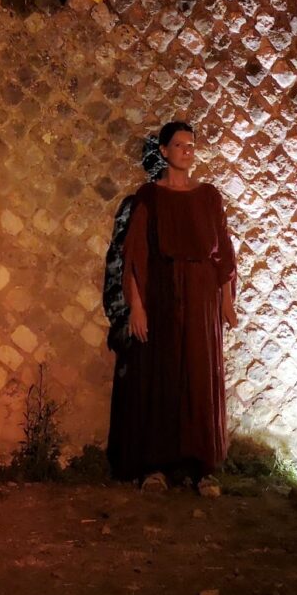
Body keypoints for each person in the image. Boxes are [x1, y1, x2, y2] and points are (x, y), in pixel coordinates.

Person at [109, 121, 237, 495]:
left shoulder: (208, 196)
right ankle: (155, 467)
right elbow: (134, 255)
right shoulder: (149, 196)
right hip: (162, 293)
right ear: (163, 151)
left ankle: (201, 467)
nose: (186, 151)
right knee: (160, 375)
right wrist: (137, 307)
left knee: (199, 376)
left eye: (191, 146)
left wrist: (227, 302)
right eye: (179, 145)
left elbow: (224, 254)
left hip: (201, 296)